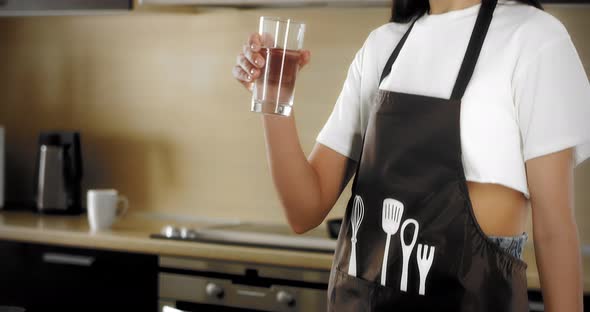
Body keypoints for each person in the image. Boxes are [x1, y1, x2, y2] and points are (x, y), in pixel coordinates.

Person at [232, 0, 589, 310]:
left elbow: (554, 228)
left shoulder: (533, 37)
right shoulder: (382, 46)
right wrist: (272, 96)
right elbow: (303, 209)